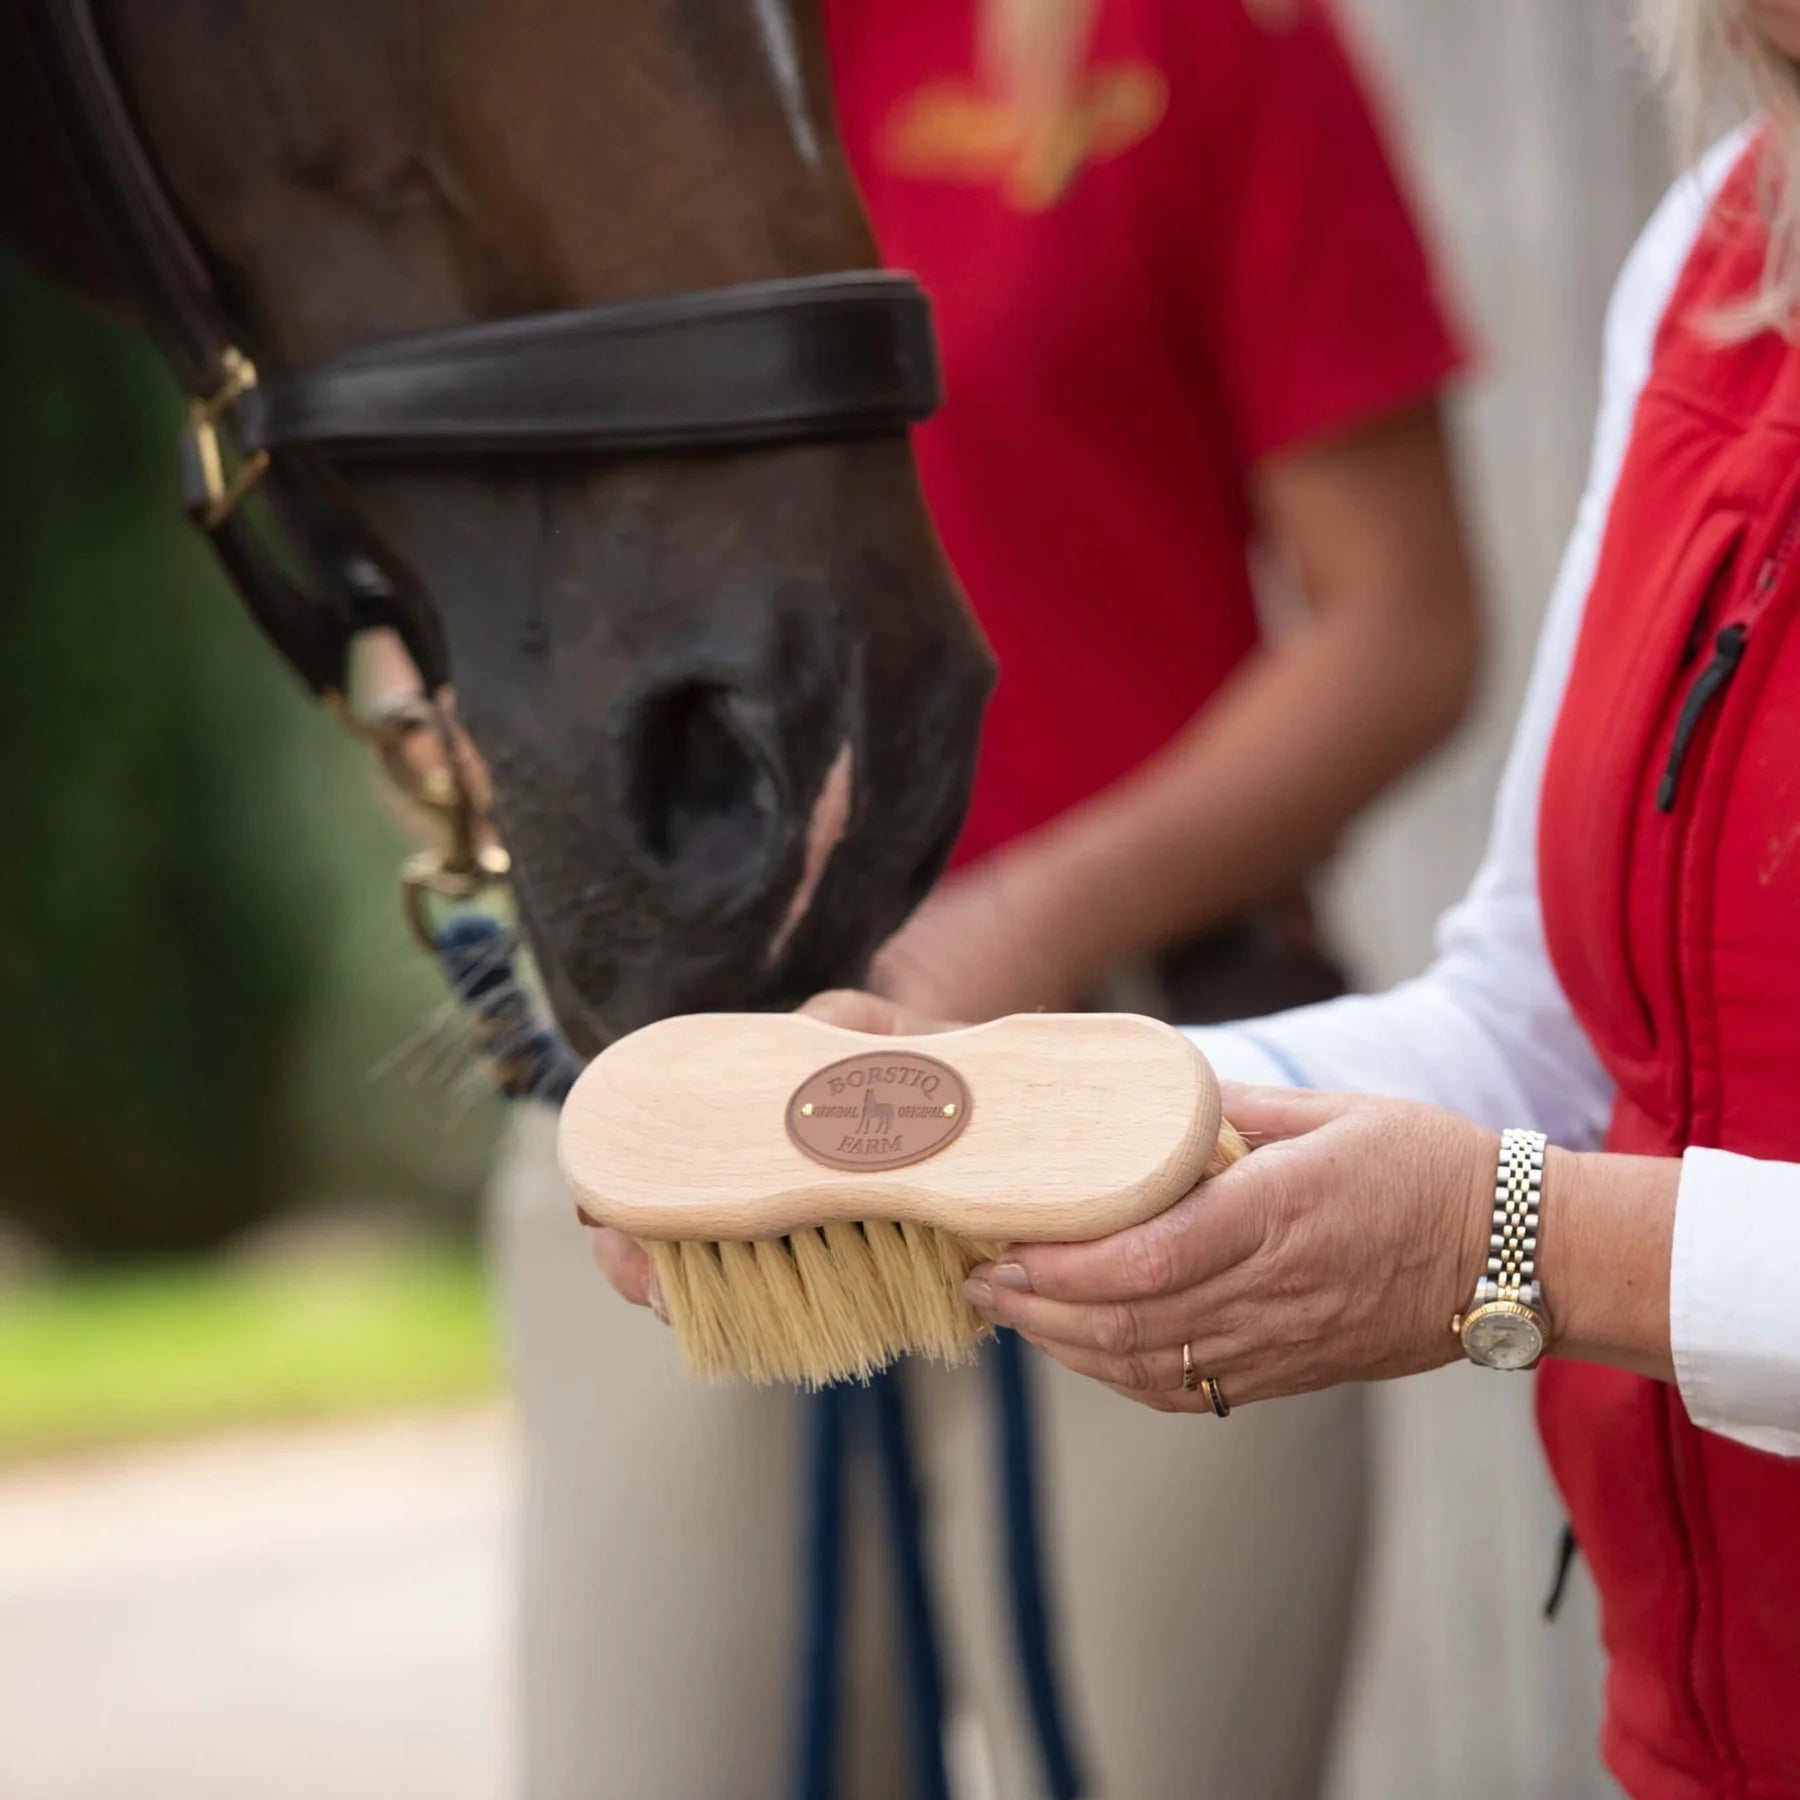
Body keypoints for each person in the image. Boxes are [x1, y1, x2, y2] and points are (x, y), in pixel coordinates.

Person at [789, 6, 1800, 1792]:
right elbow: (1529, 1025)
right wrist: (998, 1114)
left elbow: (1398, 634)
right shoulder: (1722, 250)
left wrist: (1528, 1248)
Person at [549, 3, 1480, 1796]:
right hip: (677, 1109)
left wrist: (1004, 936)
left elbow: (1405, 621)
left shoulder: (1209, 36)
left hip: (1127, 1086)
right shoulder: (550, 60)